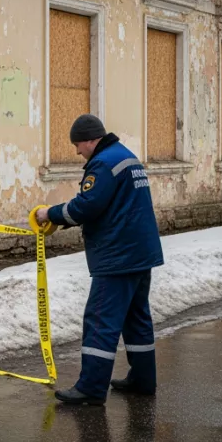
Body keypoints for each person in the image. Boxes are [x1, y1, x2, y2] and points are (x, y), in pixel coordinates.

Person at [36, 114, 164, 405]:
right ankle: (143, 380)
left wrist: (50, 214)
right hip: (140, 252)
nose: (76, 151)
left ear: (91, 139)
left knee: (100, 319)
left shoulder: (103, 163)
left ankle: (91, 388)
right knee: (136, 317)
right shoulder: (126, 157)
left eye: (78, 144)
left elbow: (87, 205)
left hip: (118, 256)